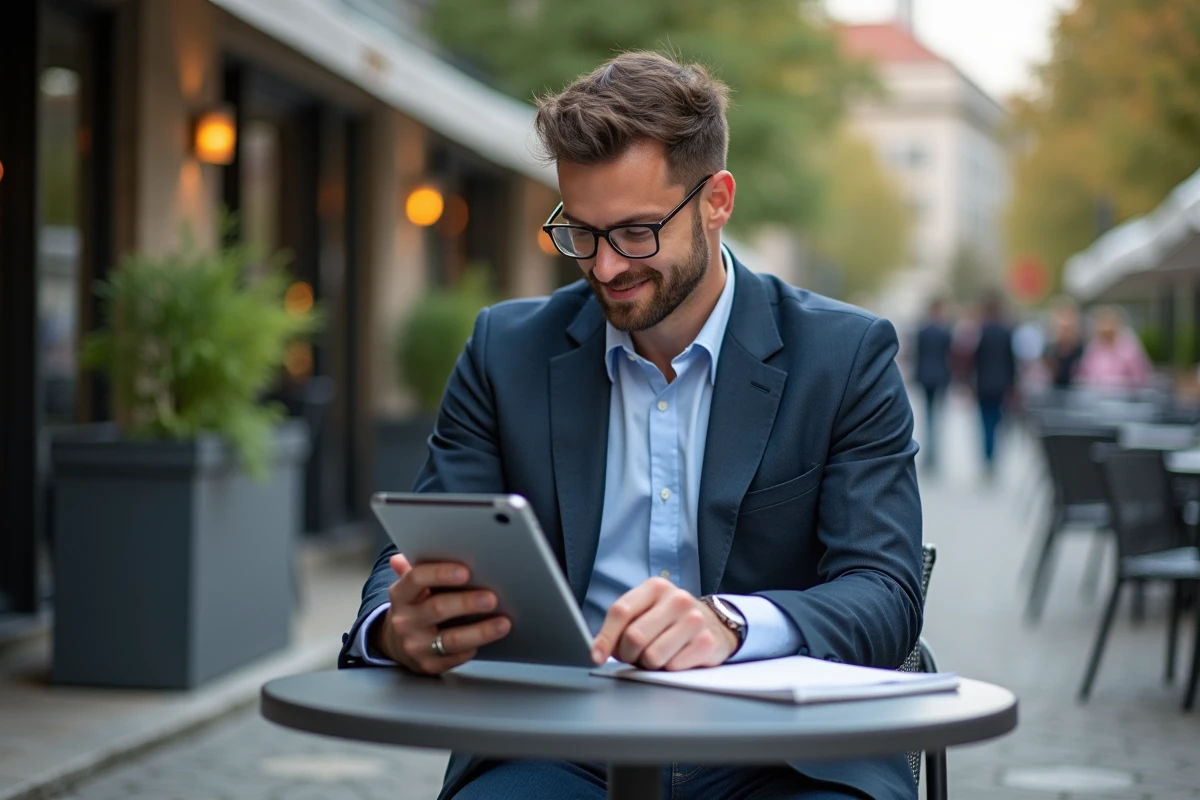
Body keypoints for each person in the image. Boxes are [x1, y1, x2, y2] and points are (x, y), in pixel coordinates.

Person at [339, 51, 923, 800]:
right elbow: (410, 559)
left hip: (789, 752)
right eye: (580, 233)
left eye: (637, 233)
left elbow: (885, 592)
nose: (605, 267)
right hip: (555, 743)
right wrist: (394, 629)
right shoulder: (504, 352)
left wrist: (732, 624)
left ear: (717, 201)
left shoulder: (843, 357)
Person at [971, 291, 1016, 478]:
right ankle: (993, 458)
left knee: (985, 424)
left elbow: (975, 359)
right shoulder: (1006, 331)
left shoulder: (981, 331)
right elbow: (1011, 360)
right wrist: (1012, 384)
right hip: (1001, 384)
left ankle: (987, 459)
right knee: (997, 423)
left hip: (983, 384)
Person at [912, 298, 953, 469]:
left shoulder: (922, 331)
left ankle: (929, 454)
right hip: (941, 377)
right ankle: (934, 454)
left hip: (925, 377)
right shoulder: (945, 332)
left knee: (928, 416)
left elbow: (918, 355)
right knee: (937, 417)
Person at [1075, 305, 1153, 393]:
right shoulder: (1093, 348)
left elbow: (1140, 377)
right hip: (1096, 399)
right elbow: (1083, 375)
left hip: (1124, 399)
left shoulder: (1128, 346)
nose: (1106, 327)